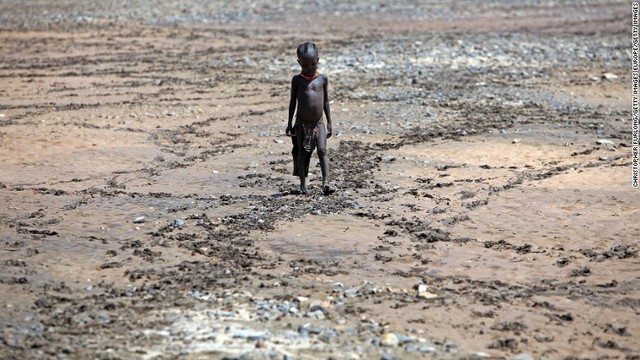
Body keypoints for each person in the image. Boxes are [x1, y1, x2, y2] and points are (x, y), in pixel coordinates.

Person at [286, 42, 334, 195]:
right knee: (302, 153)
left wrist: (330, 122)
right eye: (305, 65)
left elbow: (325, 101)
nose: (310, 68)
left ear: (318, 60)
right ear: (299, 63)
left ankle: (326, 183)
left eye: (313, 64)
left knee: (322, 150)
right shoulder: (297, 80)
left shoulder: (322, 79)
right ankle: (302, 184)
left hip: (318, 122)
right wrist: (289, 123)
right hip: (301, 123)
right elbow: (293, 102)